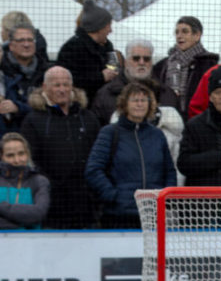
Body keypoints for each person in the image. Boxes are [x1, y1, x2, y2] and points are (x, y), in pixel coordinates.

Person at [85, 82, 177, 229]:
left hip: (153, 215)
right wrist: (114, 196)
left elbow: (170, 171)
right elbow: (94, 170)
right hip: (119, 216)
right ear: (124, 104)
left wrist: (165, 198)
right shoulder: (109, 133)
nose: (139, 104)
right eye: (134, 100)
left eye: (143, 100)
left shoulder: (157, 135)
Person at [19, 66, 100, 229]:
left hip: (85, 202)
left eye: (66, 84)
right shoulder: (33, 120)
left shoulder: (88, 118)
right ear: (45, 87)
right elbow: (29, 160)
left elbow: (99, 156)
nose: (62, 90)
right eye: (56, 85)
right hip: (51, 203)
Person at [91, 39, 179, 125]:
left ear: (151, 62)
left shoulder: (166, 94)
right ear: (126, 62)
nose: (141, 62)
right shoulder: (105, 94)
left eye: (146, 59)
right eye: (136, 58)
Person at [151, 16, 219, 117]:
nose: (179, 36)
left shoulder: (208, 64)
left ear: (197, 35)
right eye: (177, 32)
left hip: (198, 119)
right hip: (168, 119)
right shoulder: (163, 65)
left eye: (184, 31)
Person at [56, 0, 117, 103]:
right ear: (99, 27)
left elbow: (114, 66)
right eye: (108, 26)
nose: (110, 31)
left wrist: (113, 71)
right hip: (79, 104)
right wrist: (100, 77)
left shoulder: (108, 46)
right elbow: (69, 80)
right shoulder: (72, 48)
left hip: (103, 102)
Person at [1, 23, 50, 130]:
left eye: (30, 40)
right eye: (21, 40)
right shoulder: (2, 72)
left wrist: (18, 107)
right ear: (11, 46)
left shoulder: (47, 72)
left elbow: (52, 105)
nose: (26, 44)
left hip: (41, 130)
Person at [0, 131, 49, 229]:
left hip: (32, 241)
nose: (17, 160)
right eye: (10, 155)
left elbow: (38, 213)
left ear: (28, 154)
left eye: (21, 153)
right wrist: (22, 220)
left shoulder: (40, 181)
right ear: (1, 157)